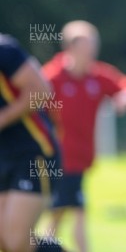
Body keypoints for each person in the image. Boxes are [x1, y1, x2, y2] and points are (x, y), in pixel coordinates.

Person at [42, 20, 126, 252]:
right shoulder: (51, 77)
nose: (91, 53)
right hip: (57, 160)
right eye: (86, 47)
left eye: (93, 47)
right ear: (70, 48)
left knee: (58, 216)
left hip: (80, 160)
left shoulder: (96, 77)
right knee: (76, 212)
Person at [0, 33, 65, 252]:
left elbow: (41, 91)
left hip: (32, 152)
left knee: (16, 242)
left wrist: (3, 118)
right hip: (3, 156)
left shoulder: (4, 49)